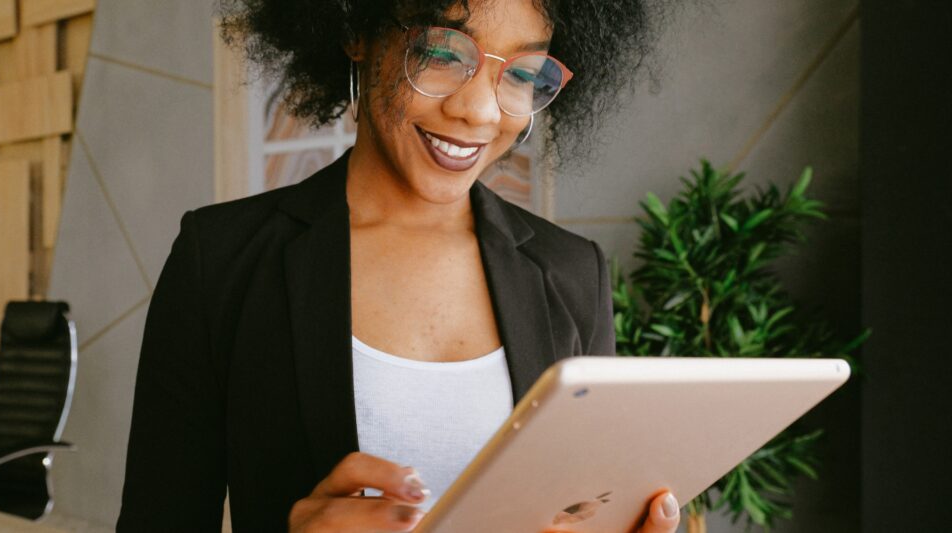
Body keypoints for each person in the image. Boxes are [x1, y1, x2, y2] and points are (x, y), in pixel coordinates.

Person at [117, 0, 679, 531]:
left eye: (523, 75)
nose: (479, 111)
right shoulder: (219, 260)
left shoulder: (573, 271)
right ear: (357, 30)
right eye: (441, 54)